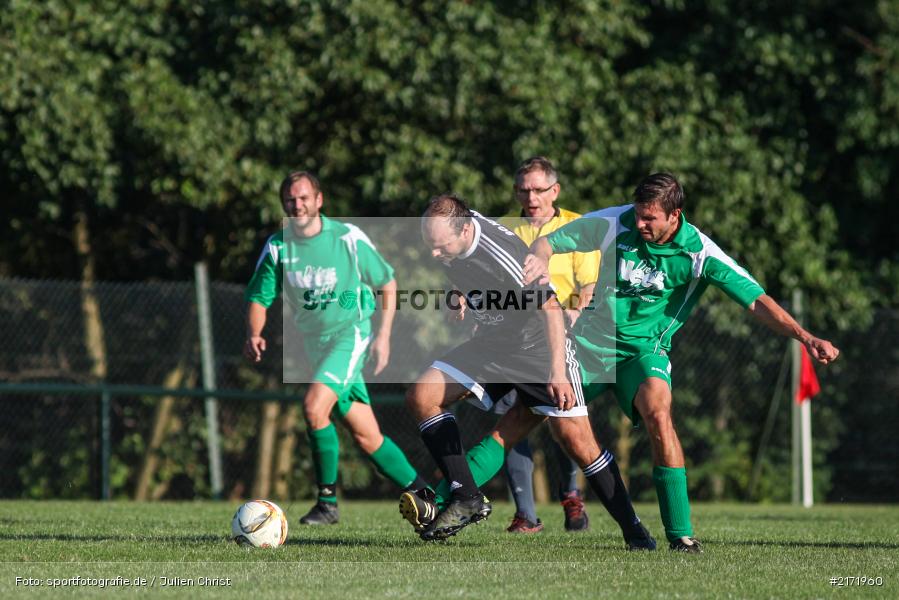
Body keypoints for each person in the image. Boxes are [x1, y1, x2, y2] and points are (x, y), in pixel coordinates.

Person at [523, 172, 841, 552]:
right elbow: (547, 242)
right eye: (638, 214)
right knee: (521, 418)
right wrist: (539, 261)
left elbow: (755, 300)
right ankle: (447, 503)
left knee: (659, 409)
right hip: (586, 347)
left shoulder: (699, 253)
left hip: (643, 353)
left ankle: (680, 535)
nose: (639, 223)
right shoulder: (616, 222)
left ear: (675, 215)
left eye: (649, 218)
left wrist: (805, 337)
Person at [399, 193, 655, 549]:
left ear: (465, 230)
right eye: (431, 245)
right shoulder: (451, 228)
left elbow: (551, 311)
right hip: (491, 344)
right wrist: (457, 293)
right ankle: (466, 497)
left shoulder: (507, 259)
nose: (434, 254)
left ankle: (635, 531)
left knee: (577, 442)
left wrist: (558, 372)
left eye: (440, 247)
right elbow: (457, 265)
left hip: (536, 352)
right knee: (422, 396)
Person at [244, 170, 428, 525]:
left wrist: (384, 336)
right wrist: (254, 333)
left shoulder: (347, 237)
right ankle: (428, 497)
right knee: (367, 436)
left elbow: (388, 283)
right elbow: (259, 297)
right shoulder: (279, 247)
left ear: (319, 200)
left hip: (351, 335)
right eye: (290, 200)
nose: (297, 205)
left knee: (314, 408)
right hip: (316, 348)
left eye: (303, 198)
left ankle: (327, 502)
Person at [497, 156, 599, 534]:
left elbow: (589, 286)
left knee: (564, 419)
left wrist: (571, 311)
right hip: (512, 341)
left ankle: (571, 497)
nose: (531, 196)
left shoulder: (577, 227)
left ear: (555, 191)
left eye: (539, 189)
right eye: (524, 189)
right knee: (511, 421)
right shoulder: (502, 229)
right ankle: (525, 514)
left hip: (559, 340)